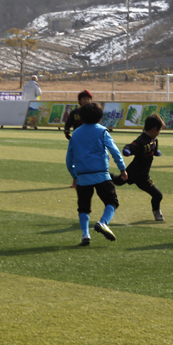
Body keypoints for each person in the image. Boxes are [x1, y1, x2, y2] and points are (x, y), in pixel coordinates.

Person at [66, 103, 124, 246]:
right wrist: (122, 169)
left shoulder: (76, 134)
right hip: (101, 174)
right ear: (99, 117)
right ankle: (103, 222)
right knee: (112, 201)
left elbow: (69, 158)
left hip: (82, 177)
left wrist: (74, 175)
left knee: (84, 208)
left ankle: (85, 235)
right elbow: (115, 151)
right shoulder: (102, 131)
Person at [114, 115, 165, 222]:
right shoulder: (141, 140)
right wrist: (127, 150)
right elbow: (130, 146)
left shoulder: (154, 140)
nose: (159, 132)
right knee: (158, 195)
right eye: (159, 130)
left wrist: (156, 152)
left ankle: (103, 176)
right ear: (154, 129)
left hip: (139, 173)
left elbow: (153, 147)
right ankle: (157, 213)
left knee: (118, 181)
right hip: (137, 174)